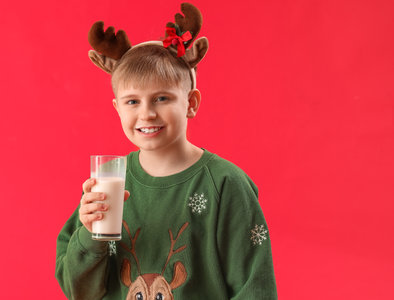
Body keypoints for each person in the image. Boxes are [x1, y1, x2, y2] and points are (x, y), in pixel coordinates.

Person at [55, 3, 277, 299]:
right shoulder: (109, 179)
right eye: (132, 101)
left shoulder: (226, 184)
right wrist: (88, 233)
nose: (146, 114)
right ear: (117, 108)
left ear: (191, 103)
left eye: (161, 98)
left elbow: (254, 287)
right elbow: (79, 291)